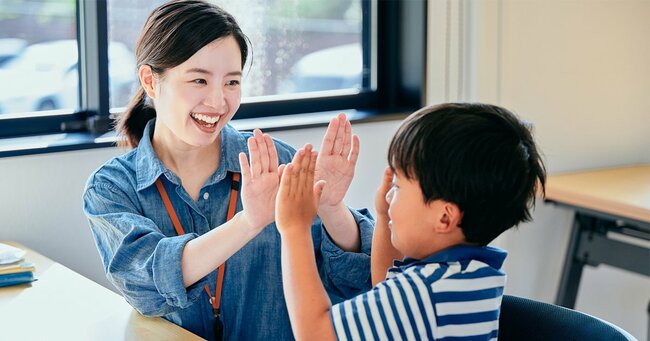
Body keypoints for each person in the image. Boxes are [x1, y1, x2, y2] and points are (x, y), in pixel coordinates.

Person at [82, 1, 374, 340]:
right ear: (150, 81)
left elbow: (359, 278)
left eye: (232, 83)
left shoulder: (277, 162)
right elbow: (145, 284)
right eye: (199, 81)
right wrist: (248, 222)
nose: (218, 102)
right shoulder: (111, 188)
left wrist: (332, 208)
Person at [275, 102, 547, 340]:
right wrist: (383, 217)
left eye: (399, 186)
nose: (390, 196)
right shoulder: (465, 275)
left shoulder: (426, 290)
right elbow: (386, 287)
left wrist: (294, 229)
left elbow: (316, 335)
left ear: (444, 217)